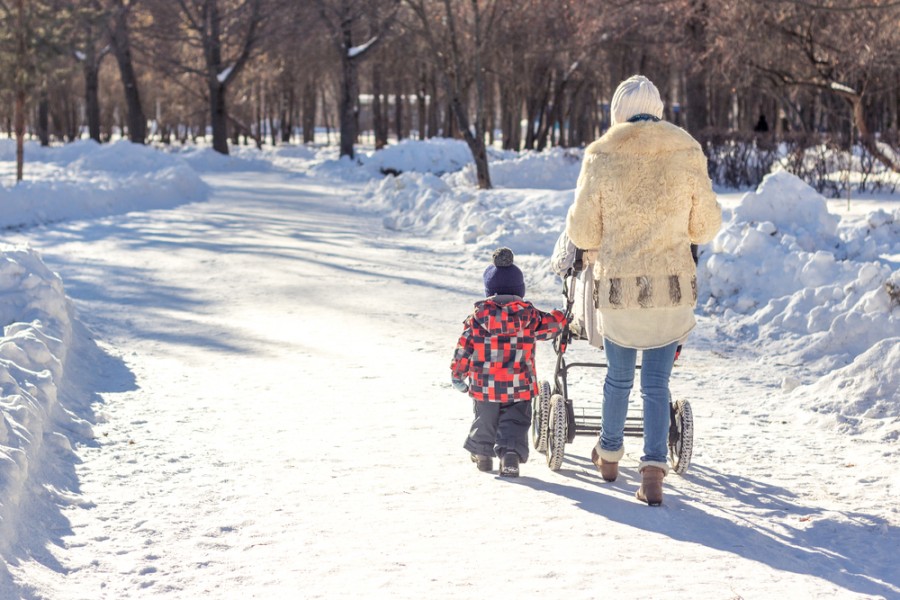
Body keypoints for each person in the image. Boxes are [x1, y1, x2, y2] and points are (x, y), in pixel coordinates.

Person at [565, 75, 722, 505]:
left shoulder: (601, 154)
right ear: (657, 107)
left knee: (618, 378)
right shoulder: (686, 150)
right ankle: (653, 471)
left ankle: (609, 455)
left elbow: (581, 231)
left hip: (620, 292)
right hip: (671, 291)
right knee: (657, 384)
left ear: (617, 110)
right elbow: (704, 226)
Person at [450, 247, 566, 477]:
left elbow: (463, 349)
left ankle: (483, 455)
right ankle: (510, 456)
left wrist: (457, 375)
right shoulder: (530, 316)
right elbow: (551, 326)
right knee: (515, 421)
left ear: (488, 291)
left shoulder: (476, 319)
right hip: (519, 385)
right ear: (519, 290)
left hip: (485, 386)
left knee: (484, 419)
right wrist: (563, 316)